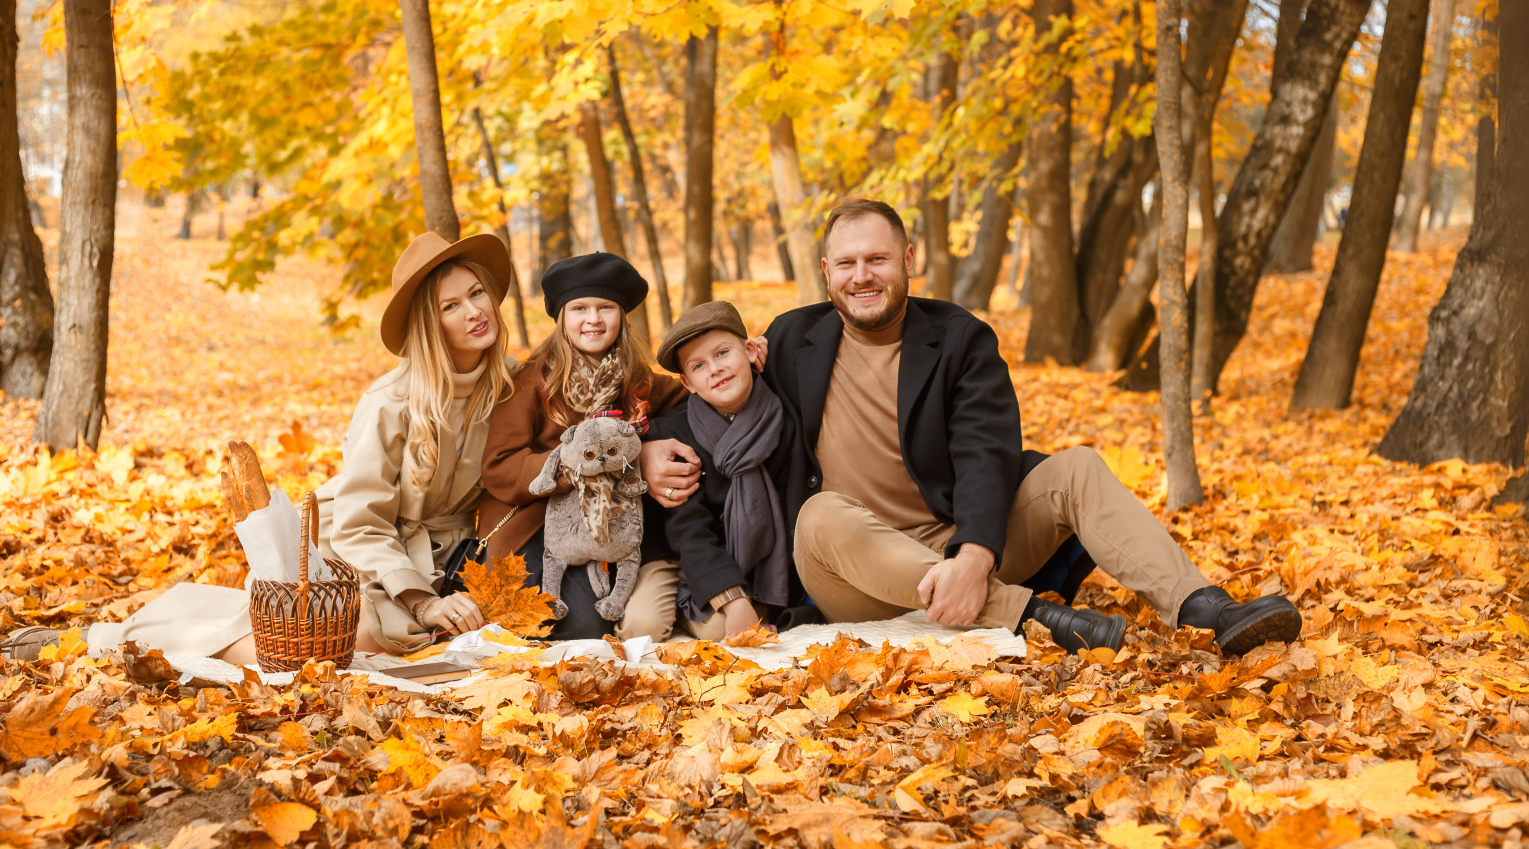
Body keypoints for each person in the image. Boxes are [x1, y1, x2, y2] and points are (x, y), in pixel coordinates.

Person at [759, 199, 1302, 655]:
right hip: (852, 575)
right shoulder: (789, 340)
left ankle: (1205, 609)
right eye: (847, 263)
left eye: (877, 259)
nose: (863, 276)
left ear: (907, 259)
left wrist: (973, 556)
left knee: (1077, 468)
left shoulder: (958, 337)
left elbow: (986, 450)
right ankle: (1031, 614)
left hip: (954, 545)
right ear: (827, 271)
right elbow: (695, 389)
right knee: (819, 514)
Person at [6, 232, 519, 664]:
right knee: (347, 644)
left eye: (477, 293)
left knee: (417, 644)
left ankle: (215, 619)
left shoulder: (511, 386)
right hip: (360, 552)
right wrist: (420, 599)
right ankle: (106, 641)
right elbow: (364, 523)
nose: (475, 311)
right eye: (452, 305)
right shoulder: (390, 402)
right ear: (432, 325)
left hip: (444, 559)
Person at [480, 252, 695, 640]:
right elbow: (499, 466)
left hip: (608, 529)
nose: (593, 319)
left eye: (605, 307)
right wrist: (569, 465)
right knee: (575, 624)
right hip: (539, 527)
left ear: (621, 316)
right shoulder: (533, 381)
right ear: (562, 317)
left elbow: (691, 395)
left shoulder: (636, 379)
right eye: (579, 308)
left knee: (599, 617)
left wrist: (748, 355)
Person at [648, 301, 820, 639]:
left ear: (751, 350)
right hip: (707, 559)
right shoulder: (677, 436)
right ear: (688, 384)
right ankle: (706, 602)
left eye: (723, 353)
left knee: (735, 627)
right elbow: (689, 530)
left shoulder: (788, 413)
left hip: (777, 564)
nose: (715, 369)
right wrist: (731, 597)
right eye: (699, 366)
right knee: (689, 628)